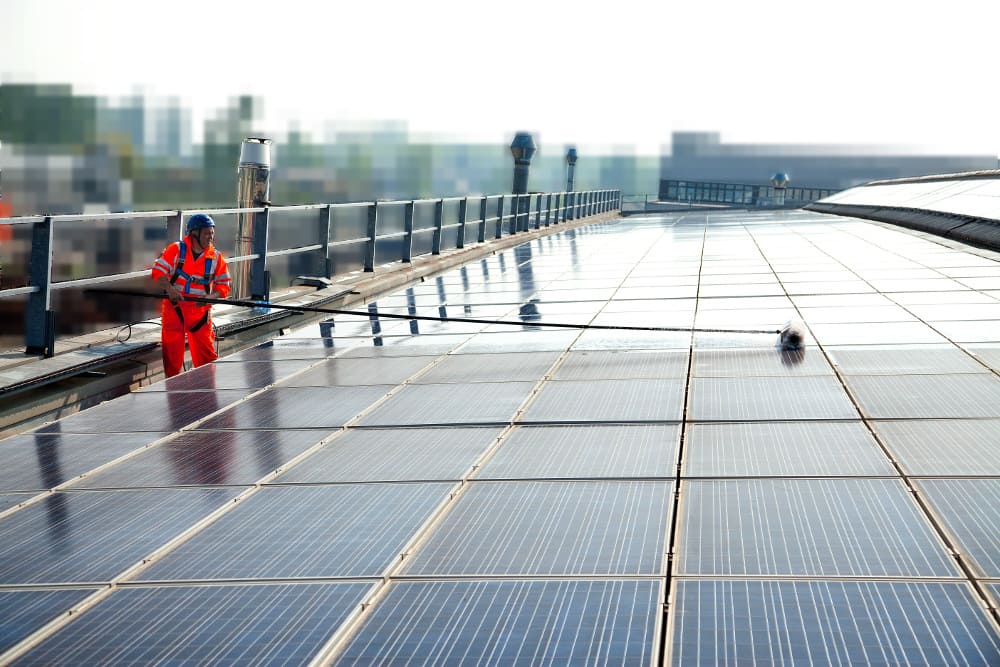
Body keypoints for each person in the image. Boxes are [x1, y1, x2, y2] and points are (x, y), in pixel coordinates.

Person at [150, 213, 231, 377]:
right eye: (207, 233)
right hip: (174, 311)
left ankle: (206, 395)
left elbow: (224, 285)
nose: (211, 238)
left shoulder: (215, 257)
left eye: (212, 233)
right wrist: (170, 289)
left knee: (207, 362)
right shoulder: (176, 250)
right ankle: (174, 395)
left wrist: (211, 297)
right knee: (172, 361)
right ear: (194, 233)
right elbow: (158, 272)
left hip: (200, 315)